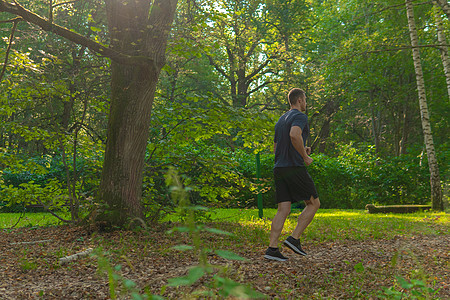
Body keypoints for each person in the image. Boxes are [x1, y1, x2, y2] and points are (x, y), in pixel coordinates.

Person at [264, 88, 320, 261]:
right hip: (294, 167)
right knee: (313, 203)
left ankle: (272, 249)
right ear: (300, 100)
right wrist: (304, 156)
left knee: (283, 209)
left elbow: (276, 148)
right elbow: (294, 135)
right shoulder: (300, 116)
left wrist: (302, 149)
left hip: (279, 167)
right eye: (305, 100)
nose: (306, 103)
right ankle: (294, 239)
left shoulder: (281, 120)